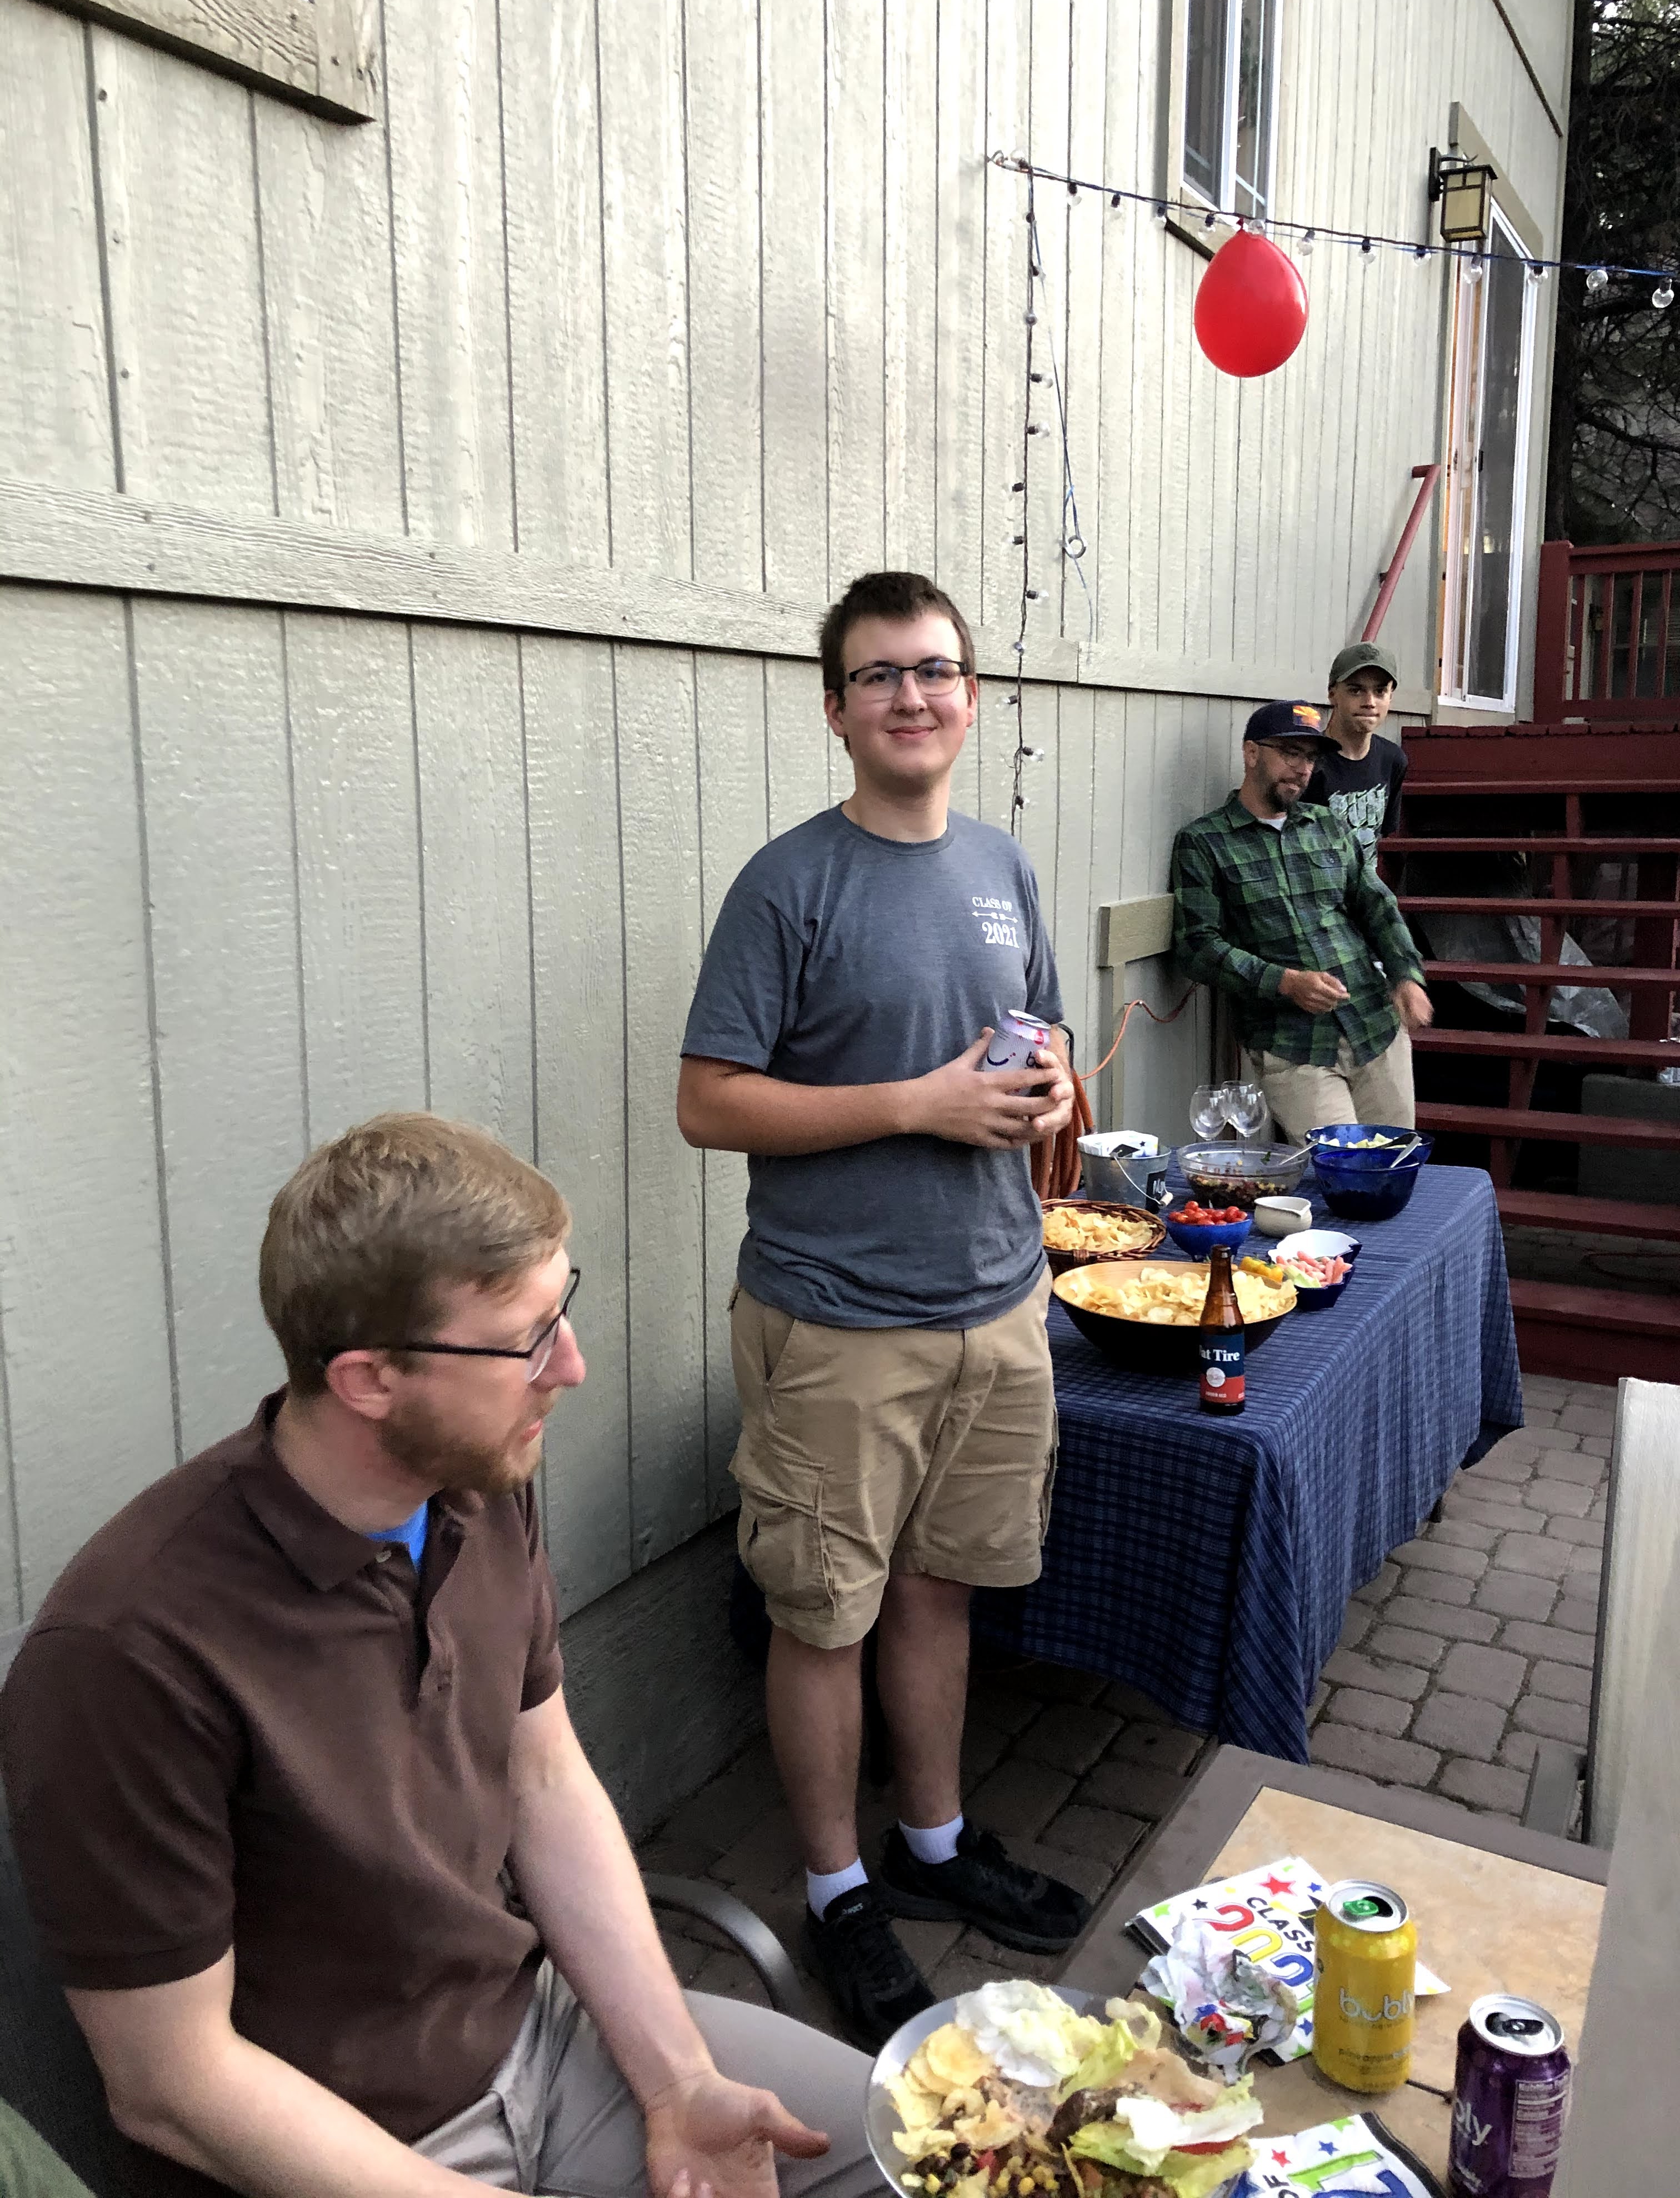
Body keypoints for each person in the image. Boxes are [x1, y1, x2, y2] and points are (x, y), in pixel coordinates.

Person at [0, 1112, 876, 2198]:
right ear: (369, 1380)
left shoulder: (476, 1481)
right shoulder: (129, 1653)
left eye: (563, 1308)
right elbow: (171, 2085)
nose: (571, 1366)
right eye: (525, 1340)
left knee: (931, 2152)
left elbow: (543, 1781)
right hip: (343, 2150)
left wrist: (679, 2083)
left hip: (541, 2039)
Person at [677, 570, 1089, 2047]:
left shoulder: (1001, 865)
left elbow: (1044, 1041)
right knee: (824, 1614)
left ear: (971, 696)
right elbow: (708, 1102)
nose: (913, 696)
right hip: (838, 1323)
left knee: (940, 1590)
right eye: (880, 676)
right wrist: (917, 1104)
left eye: (935, 670)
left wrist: (1054, 1087)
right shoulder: (790, 883)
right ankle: (837, 1890)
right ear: (836, 709)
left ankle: (932, 1841)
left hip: (998, 1305)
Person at [1171, 700, 1433, 1140]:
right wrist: (1285, 982)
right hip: (1293, 1045)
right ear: (1251, 753)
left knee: (1395, 1159)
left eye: (1311, 758)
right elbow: (1198, 946)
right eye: (1291, 753)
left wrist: (1407, 975)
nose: (1302, 769)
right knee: (1342, 1165)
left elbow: (1377, 905)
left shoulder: (1328, 826)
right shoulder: (1205, 842)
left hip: (1374, 1024)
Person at [1304, 641, 1409, 865]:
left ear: (1391, 696)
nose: (1370, 702)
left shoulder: (1393, 760)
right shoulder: (1308, 763)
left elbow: (1386, 835)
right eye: (1356, 690)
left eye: (1380, 691)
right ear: (1332, 694)